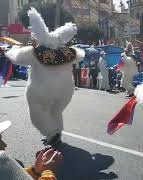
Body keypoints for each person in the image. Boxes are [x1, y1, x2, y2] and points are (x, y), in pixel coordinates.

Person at [5, 8, 85, 146]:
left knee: (37, 112)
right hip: (65, 91)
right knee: (56, 111)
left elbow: (15, 57)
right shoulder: (69, 53)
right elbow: (81, 54)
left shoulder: (33, 52)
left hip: (41, 90)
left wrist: (11, 50)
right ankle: (57, 133)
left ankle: (52, 132)